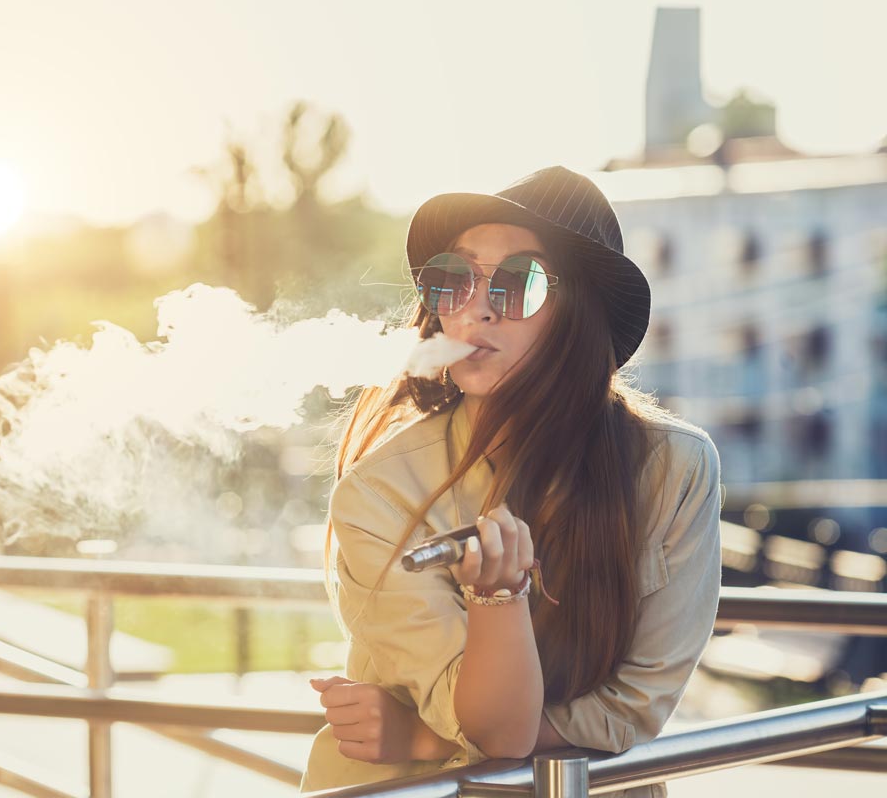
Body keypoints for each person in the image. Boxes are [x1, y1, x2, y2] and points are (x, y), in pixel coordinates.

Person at [299, 165, 723, 797]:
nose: (476, 311)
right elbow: (500, 732)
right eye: (455, 279)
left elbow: (633, 711)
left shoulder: (674, 469)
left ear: (579, 311)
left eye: (519, 283)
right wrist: (497, 602)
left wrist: (425, 739)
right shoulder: (377, 488)